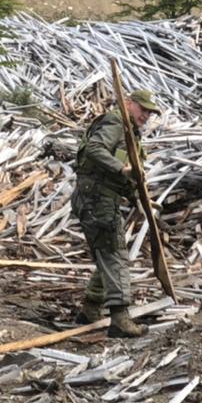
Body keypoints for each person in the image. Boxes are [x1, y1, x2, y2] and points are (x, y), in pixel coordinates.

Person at [71, 88, 162, 338]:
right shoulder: (115, 122)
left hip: (101, 198)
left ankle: (90, 308)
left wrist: (138, 199)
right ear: (128, 103)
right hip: (97, 199)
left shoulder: (129, 132)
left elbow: (126, 175)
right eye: (143, 109)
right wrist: (121, 169)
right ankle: (120, 319)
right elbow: (94, 149)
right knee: (115, 256)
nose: (146, 116)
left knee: (107, 252)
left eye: (150, 113)